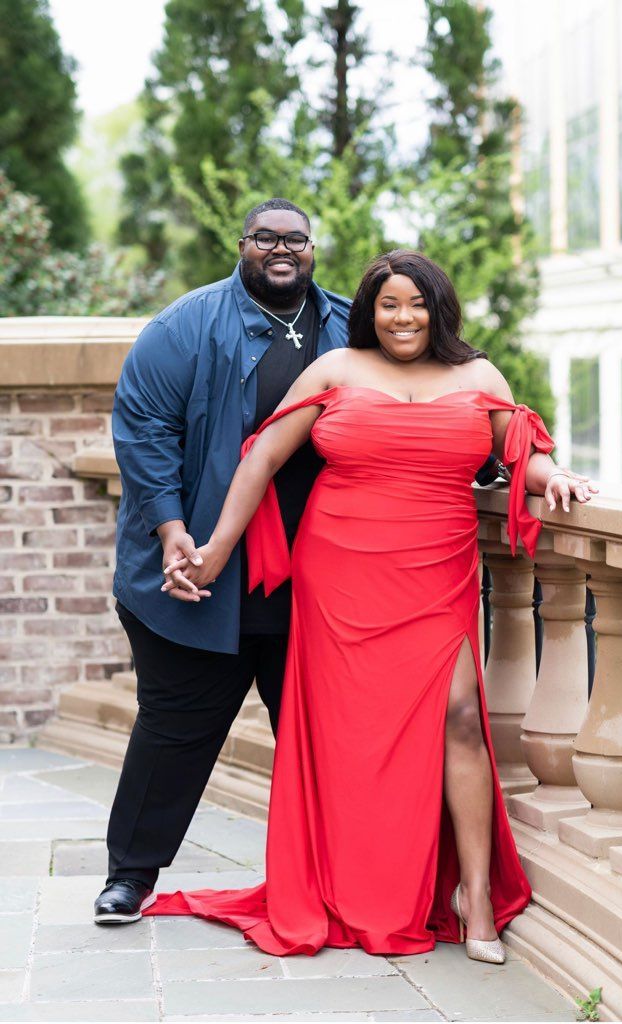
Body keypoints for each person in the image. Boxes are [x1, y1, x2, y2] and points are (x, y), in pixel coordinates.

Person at [148, 250, 598, 962]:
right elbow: (261, 456)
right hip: (341, 571)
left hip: (437, 571)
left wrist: (554, 475)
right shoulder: (334, 370)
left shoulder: (477, 375)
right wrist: (216, 551)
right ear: (369, 312)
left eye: (415, 304)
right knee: (351, 738)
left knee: (457, 717)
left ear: (437, 308)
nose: (403, 317)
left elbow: (516, 453)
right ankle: (356, 886)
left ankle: (473, 894)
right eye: (389, 305)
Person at [94, 198, 351, 924]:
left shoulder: (348, 324)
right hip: (199, 572)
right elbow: (142, 434)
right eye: (265, 237)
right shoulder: (184, 327)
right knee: (175, 728)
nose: (281, 249)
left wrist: (497, 457)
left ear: (311, 249)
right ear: (241, 245)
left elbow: (420, 389)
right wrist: (172, 531)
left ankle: (337, 879)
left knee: (319, 737)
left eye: (294, 239)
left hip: (311, 577)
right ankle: (130, 875)